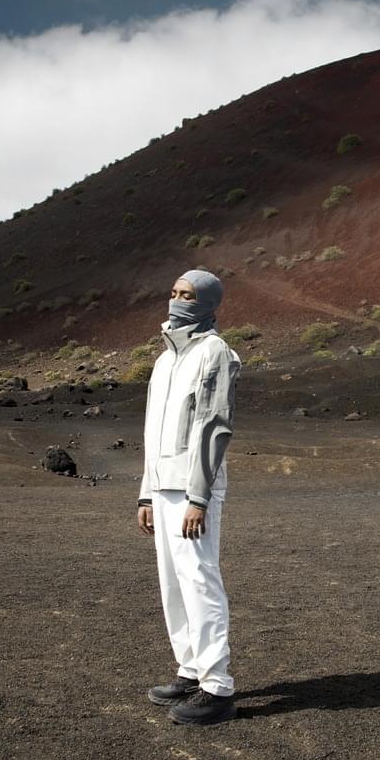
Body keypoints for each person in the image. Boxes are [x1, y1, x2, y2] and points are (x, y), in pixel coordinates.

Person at [136, 268, 242, 726]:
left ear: (209, 303)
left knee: (200, 580)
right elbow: (151, 431)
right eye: (174, 291)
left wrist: (198, 497)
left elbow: (214, 427)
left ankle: (217, 687)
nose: (178, 300)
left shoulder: (215, 352)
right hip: (162, 486)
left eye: (189, 294)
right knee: (172, 583)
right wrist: (145, 492)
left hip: (193, 488)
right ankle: (190, 669)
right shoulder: (164, 361)